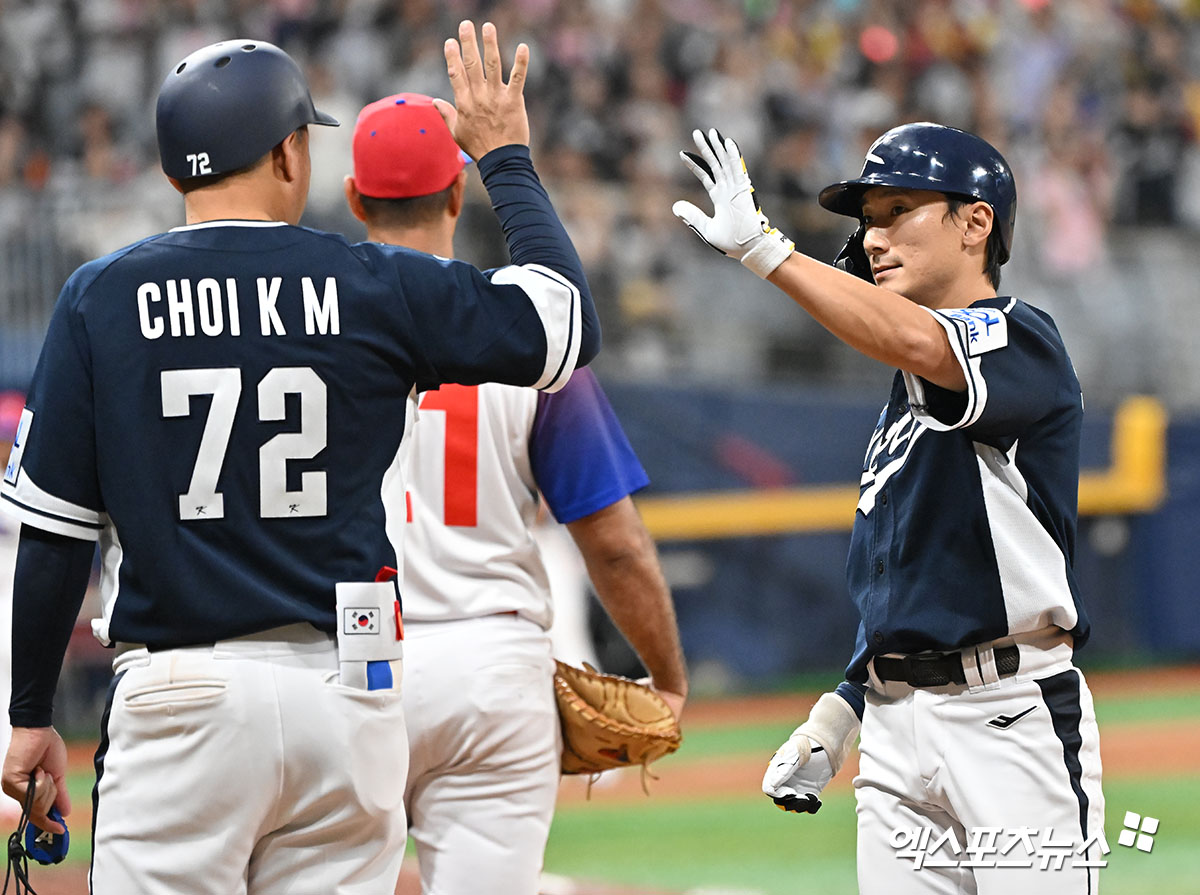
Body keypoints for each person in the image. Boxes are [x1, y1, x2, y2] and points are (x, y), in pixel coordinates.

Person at [0, 22, 599, 894]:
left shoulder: (101, 298)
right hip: (344, 692)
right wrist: (504, 156)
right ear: (288, 153)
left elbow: (54, 536)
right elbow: (566, 322)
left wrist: (28, 714)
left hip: (178, 694)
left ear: (174, 173)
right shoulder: (373, 281)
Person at [674, 123, 1104, 893]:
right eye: (867, 218)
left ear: (977, 223)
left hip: (1007, 715)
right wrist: (841, 712)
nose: (873, 236)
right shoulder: (900, 405)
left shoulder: (1021, 338)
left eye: (898, 208)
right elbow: (909, 585)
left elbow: (923, 342)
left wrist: (768, 251)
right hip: (896, 727)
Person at [342, 92, 687, 895]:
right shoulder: (521, 332)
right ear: (459, 193)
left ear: (355, 197)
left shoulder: (311, 323)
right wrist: (666, 673)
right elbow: (614, 541)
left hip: (354, 659)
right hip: (491, 668)